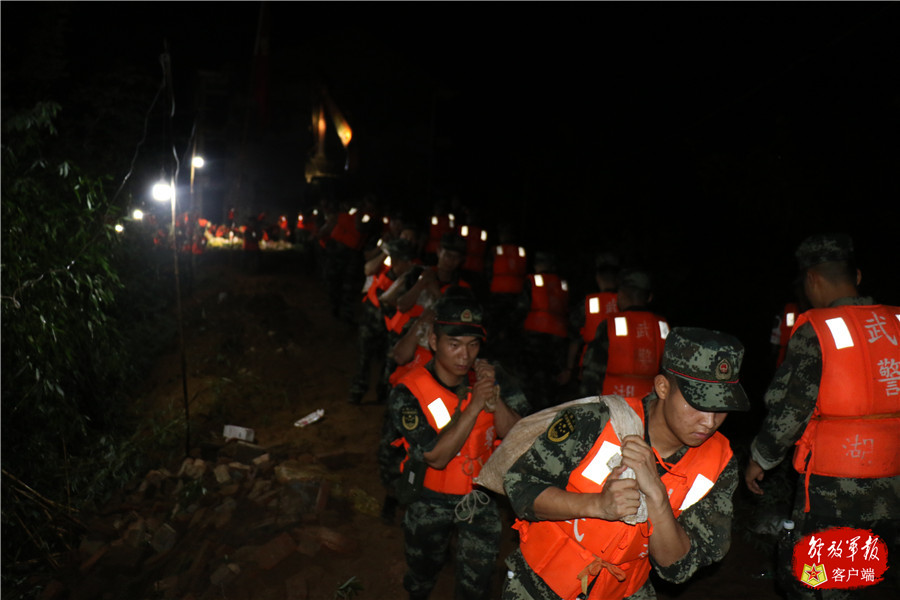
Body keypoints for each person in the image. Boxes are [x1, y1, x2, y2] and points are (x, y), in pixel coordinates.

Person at [503, 327, 749, 600]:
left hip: (623, 593)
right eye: (699, 404)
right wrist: (598, 505)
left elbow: (678, 569)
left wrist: (656, 495)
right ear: (663, 387)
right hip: (539, 586)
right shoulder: (595, 421)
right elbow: (520, 488)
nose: (709, 421)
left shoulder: (719, 463)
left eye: (721, 407)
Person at [744, 233, 899, 599]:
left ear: (812, 279)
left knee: (820, 581)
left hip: (835, 487)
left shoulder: (817, 329)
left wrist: (760, 457)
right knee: (880, 578)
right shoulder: (896, 322)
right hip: (895, 484)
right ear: (856, 276)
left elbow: (790, 409)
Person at [388, 294, 528, 600]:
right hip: (429, 500)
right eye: (454, 344)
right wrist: (476, 405)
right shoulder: (409, 391)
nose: (464, 354)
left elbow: (517, 434)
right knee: (422, 575)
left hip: (481, 499)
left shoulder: (492, 377)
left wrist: (494, 397)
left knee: (475, 586)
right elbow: (436, 457)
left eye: (473, 344)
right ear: (434, 343)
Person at [579, 269, 669, 399]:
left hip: (613, 406)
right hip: (649, 405)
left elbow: (593, 372)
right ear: (649, 297)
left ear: (620, 294)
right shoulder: (663, 326)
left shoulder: (609, 325)